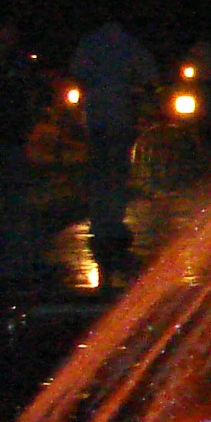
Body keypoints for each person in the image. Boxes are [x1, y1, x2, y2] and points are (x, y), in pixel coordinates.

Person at [67, 19, 157, 284]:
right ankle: (112, 223)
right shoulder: (128, 43)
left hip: (97, 114)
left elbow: (77, 71)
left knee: (99, 169)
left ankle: (100, 222)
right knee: (116, 171)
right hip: (119, 114)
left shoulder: (91, 42)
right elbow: (148, 73)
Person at [0, 22, 44, 290]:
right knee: (10, 201)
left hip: (12, 138)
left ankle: (14, 262)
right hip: (3, 138)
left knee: (15, 201)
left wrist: (29, 122)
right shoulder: (8, 67)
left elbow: (31, 95)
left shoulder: (19, 65)